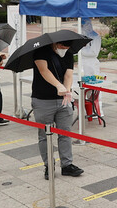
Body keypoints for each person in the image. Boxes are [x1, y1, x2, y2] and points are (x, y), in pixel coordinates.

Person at [32, 40, 84, 179]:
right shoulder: (41, 51)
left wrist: (66, 90)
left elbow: (68, 74)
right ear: (55, 43)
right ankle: (48, 165)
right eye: (62, 46)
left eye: (67, 47)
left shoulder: (68, 54)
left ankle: (67, 165)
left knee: (65, 133)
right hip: (43, 100)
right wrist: (58, 86)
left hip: (63, 101)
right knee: (45, 135)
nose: (65, 49)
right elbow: (44, 70)